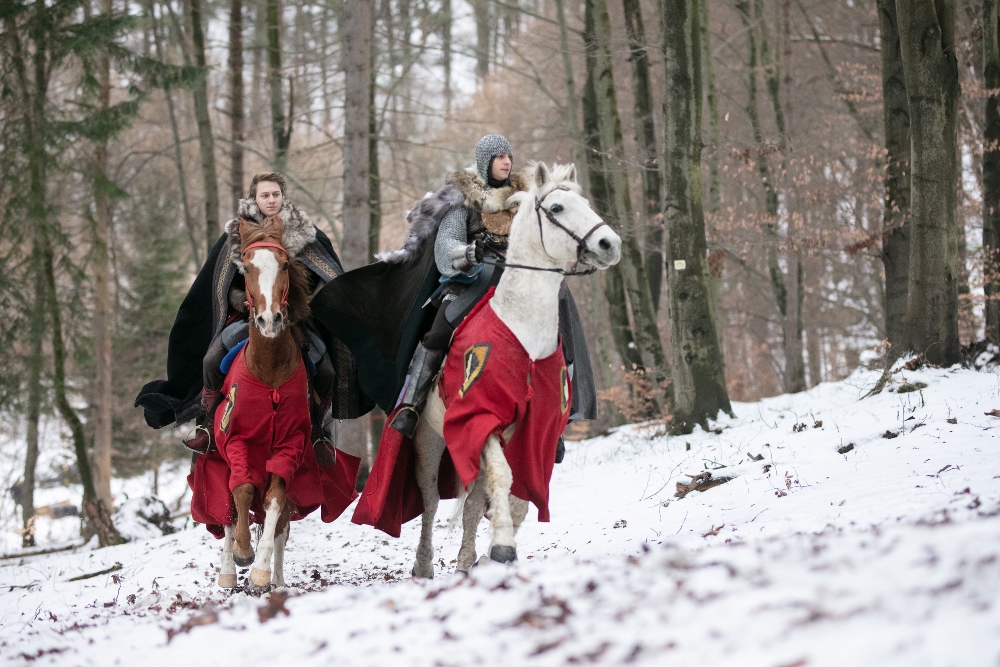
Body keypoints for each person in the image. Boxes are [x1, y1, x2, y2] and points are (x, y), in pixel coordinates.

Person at [135, 172, 369, 463]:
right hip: (250, 318)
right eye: (265, 195)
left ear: (283, 196)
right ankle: (209, 426)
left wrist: (305, 301)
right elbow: (219, 284)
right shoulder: (235, 234)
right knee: (211, 360)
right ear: (254, 198)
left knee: (328, 372)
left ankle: (318, 432)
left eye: (275, 194)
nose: (271, 200)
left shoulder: (307, 234)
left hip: (296, 320)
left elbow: (328, 278)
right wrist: (241, 301)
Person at [389, 135, 529, 437]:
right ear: (485, 161)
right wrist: (467, 253)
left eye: (509, 156)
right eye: (499, 157)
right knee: (439, 332)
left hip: (517, 282)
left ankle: (558, 411)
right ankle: (412, 405)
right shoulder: (462, 200)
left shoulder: (523, 199)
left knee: (555, 318)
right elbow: (445, 247)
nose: (506, 162)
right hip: (471, 282)